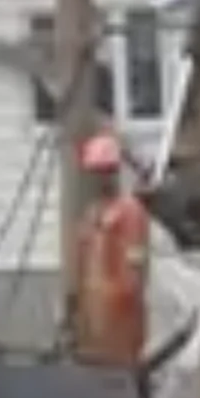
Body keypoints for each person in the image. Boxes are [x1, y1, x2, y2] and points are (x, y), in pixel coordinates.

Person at [70, 131, 150, 369]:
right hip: (93, 314)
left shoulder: (130, 211)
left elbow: (136, 264)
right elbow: (81, 261)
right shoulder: (92, 213)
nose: (100, 179)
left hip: (121, 316)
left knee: (122, 375)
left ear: (115, 172)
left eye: (105, 171)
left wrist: (128, 297)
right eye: (95, 172)